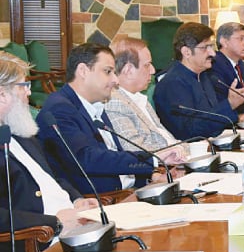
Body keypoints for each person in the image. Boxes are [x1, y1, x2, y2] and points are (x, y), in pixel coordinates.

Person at [36, 43, 183, 195]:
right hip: (101, 200)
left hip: (128, 191)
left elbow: (112, 159)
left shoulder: (96, 104)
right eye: (108, 72)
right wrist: (152, 159)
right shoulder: (59, 109)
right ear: (83, 71)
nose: (115, 80)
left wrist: (151, 177)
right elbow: (87, 159)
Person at [0, 51, 99, 252]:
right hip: (35, 246)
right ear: (2, 94)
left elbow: (53, 177)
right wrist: (54, 221)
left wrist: (77, 199)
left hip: (72, 230)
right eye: (23, 86)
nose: (29, 93)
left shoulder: (23, 133)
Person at [154, 22, 244, 140]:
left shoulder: (204, 76)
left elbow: (210, 119)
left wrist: (238, 117)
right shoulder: (172, 84)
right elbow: (189, 131)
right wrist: (230, 104)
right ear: (186, 52)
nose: (213, 53)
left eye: (212, 47)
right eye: (205, 48)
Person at [105, 37, 182, 151]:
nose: (153, 70)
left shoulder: (140, 99)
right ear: (129, 70)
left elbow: (167, 140)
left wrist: (196, 148)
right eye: (147, 65)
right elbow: (137, 151)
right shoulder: (115, 103)